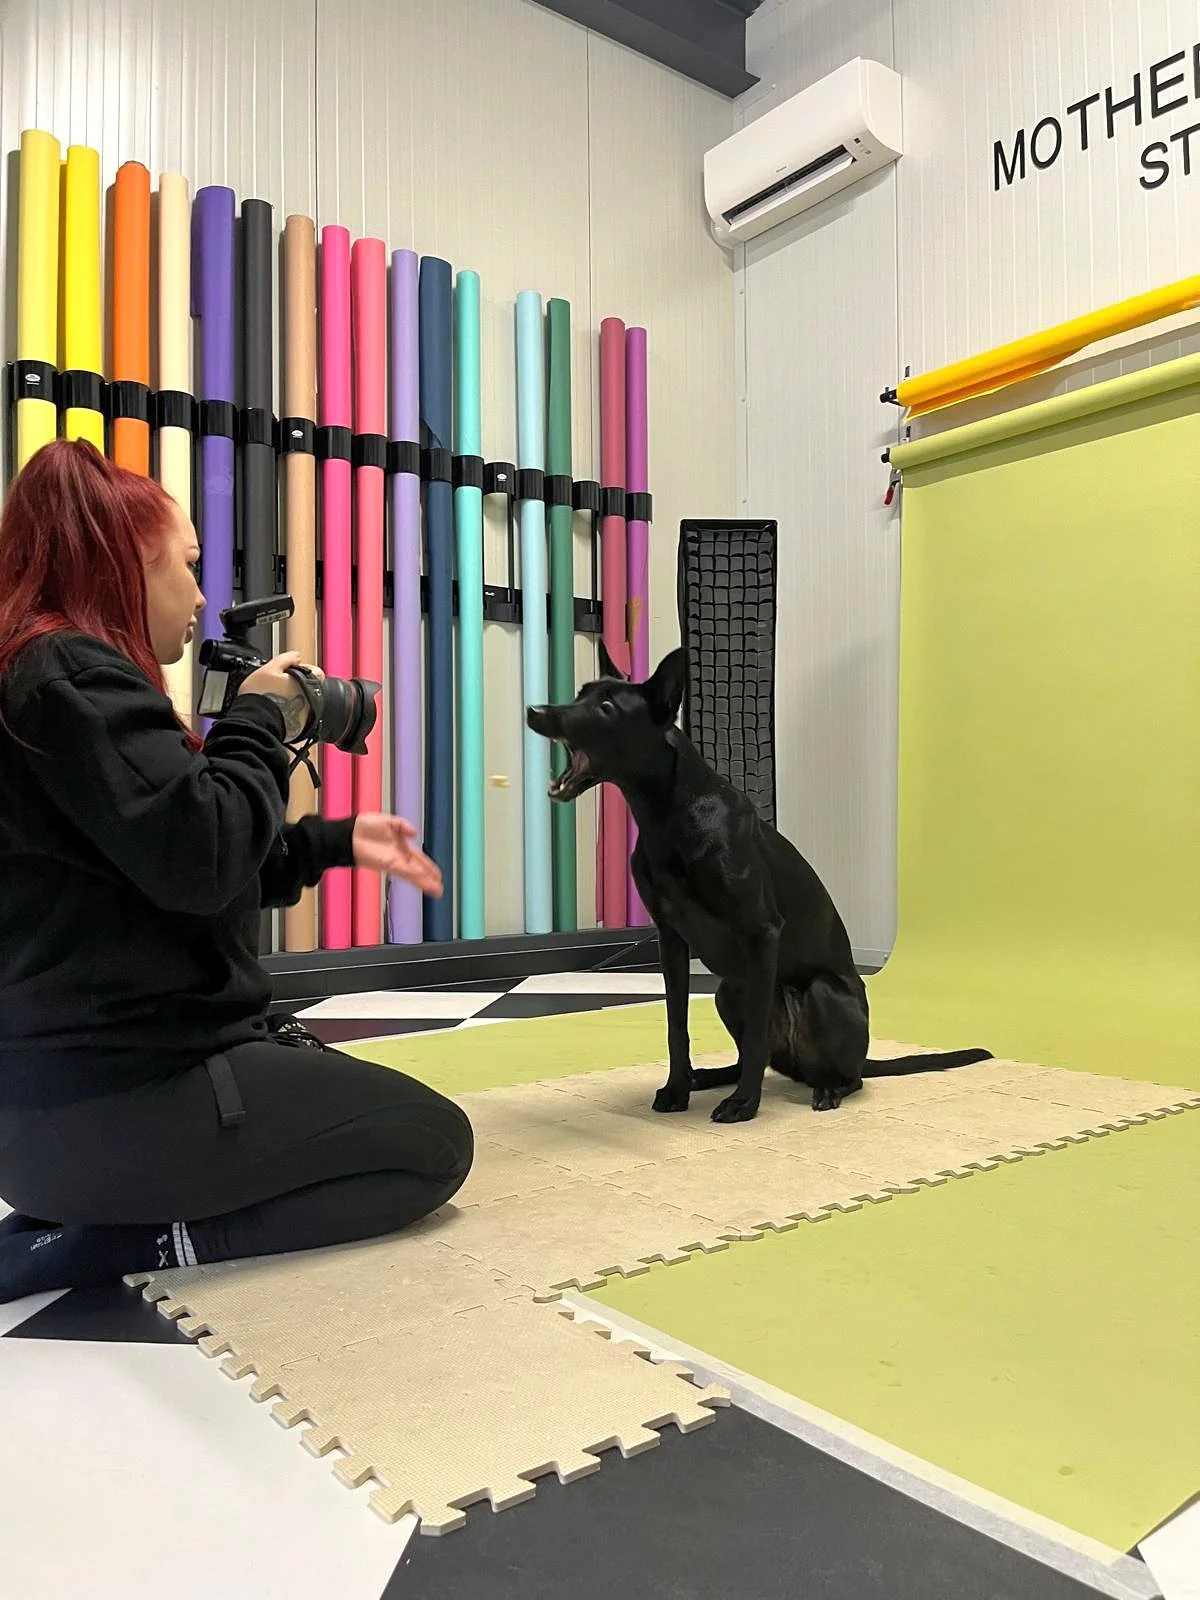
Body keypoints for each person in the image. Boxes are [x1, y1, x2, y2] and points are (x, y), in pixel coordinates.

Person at [0, 440, 472, 1305]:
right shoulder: (67, 675)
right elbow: (203, 856)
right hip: (121, 1102)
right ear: (127, 565)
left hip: (63, 1115)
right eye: (186, 566)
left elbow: (168, 868)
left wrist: (330, 843)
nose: (202, 595)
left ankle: (89, 1217)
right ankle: (125, 1242)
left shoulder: (51, 679)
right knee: (432, 1142)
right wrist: (258, 715)